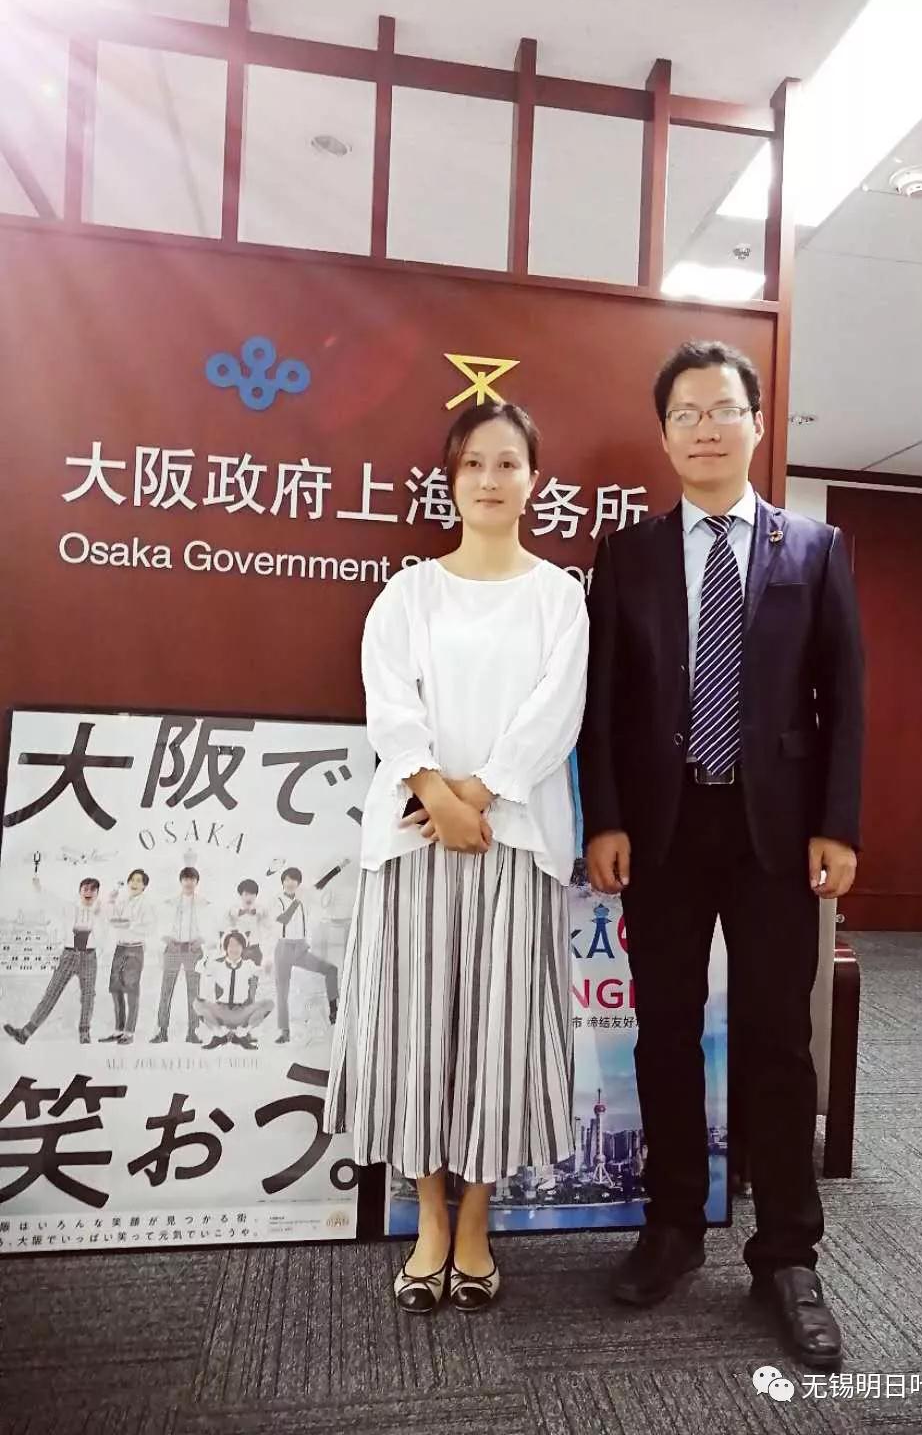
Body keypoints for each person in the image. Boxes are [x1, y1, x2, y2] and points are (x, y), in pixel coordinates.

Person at [578, 340, 863, 1370]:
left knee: (780, 1037)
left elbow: (844, 696)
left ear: (756, 424)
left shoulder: (814, 548)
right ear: (664, 436)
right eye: (685, 413)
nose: (705, 427)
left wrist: (839, 823)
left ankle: (787, 1253)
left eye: (722, 409)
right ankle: (673, 1225)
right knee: (664, 1030)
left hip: (775, 832)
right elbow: (603, 703)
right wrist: (605, 818)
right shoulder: (629, 556)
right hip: (661, 829)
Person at [324, 401, 588, 1314]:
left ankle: (477, 1221)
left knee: (495, 1039)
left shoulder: (559, 596)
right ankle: (429, 1223)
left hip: (513, 842)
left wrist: (481, 795)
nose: (490, 479)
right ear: (451, 478)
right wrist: (436, 793)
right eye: (474, 463)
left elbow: (556, 712)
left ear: (533, 481)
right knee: (418, 1035)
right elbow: (389, 703)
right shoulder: (410, 593)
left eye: (508, 463)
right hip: (413, 838)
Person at [4, 875, 107, 1045]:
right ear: (80, 892)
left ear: (97, 893)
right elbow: (52, 901)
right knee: (51, 993)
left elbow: (104, 937)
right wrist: (39, 888)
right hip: (69, 955)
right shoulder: (69, 908)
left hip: (89, 956)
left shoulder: (100, 913)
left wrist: (98, 915)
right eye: (85, 889)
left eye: (93, 890)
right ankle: (25, 1033)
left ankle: (84, 1034)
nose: (88, 892)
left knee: (88, 996)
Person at [152, 866, 216, 1045]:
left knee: (193, 992)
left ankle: (192, 1032)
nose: (189, 882)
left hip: (193, 950)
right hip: (173, 948)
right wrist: (166, 938)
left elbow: (211, 927)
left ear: (197, 882)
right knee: (166, 990)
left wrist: (201, 940)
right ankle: (162, 1031)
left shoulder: (204, 903)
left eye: (192, 879)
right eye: (186, 879)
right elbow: (160, 925)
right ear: (181, 881)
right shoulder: (170, 903)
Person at [272, 867, 338, 1042]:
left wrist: (339, 868)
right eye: (287, 879)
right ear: (282, 882)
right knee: (282, 991)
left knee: (331, 970)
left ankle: (334, 1012)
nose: (290, 883)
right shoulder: (277, 900)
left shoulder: (304, 897)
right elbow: (283, 919)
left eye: (293, 880)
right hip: (284, 949)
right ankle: (284, 1032)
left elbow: (320, 884)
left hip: (300, 948)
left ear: (298, 883)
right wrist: (296, 901)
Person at [100, 868, 156, 1045]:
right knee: (116, 988)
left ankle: (129, 1032)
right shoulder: (123, 901)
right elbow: (110, 917)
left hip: (134, 949)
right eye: (132, 880)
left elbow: (150, 928)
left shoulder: (146, 904)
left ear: (144, 886)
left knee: (131, 990)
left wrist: (130, 925)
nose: (134, 883)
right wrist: (111, 900)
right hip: (120, 948)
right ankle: (118, 1030)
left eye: (139, 881)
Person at [194, 931, 273, 1050]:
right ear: (226, 948)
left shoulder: (248, 965)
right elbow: (199, 968)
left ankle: (240, 1035)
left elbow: (263, 972)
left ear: (243, 948)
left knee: (268, 1004)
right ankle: (220, 1036)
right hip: (222, 1010)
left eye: (238, 945)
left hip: (240, 1012)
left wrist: (267, 965)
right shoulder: (218, 965)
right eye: (231, 945)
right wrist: (207, 953)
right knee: (198, 1004)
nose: (234, 949)